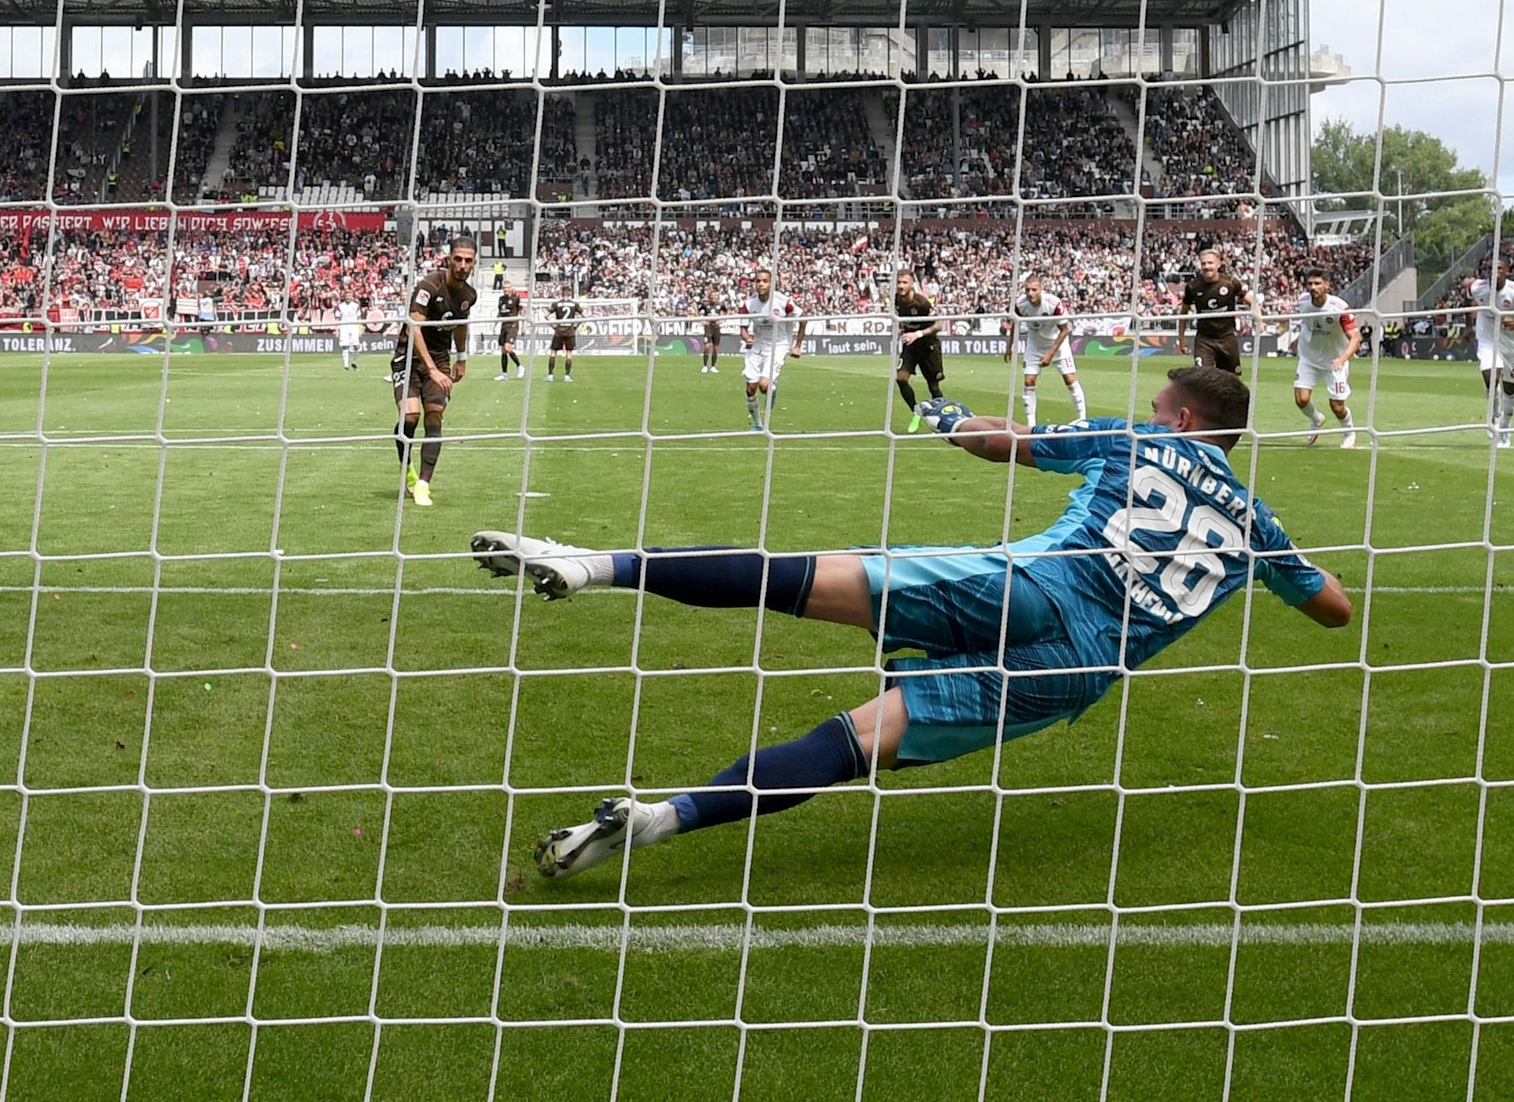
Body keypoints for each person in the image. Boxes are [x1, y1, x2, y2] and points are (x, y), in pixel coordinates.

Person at [468, 367, 1351, 880]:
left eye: (1163, 406)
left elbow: (997, 441)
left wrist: (953, 419)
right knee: (858, 741)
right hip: (1079, 667)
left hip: (1033, 584)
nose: (1155, 413)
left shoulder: (1141, 442)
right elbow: (1333, 610)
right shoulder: (1258, 529)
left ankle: (592, 564)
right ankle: (661, 818)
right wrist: (1276, 554)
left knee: (796, 580)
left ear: (1186, 421)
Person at [389, 237, 478, 507]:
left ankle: (424, 485)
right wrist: (431, 370)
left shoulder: (469, 295)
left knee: (435, 415)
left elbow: (462, 324)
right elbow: (415, 330)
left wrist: (461, 357)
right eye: (458, 259)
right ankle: (409, 473)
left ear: (473, 263)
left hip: (440, 359)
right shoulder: (428, 286)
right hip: (408, 357)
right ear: (449, 259)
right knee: (411, 416)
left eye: (468, 260)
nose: (462, 265)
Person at [1289, 266, 1363, 449]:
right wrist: (1297, 340)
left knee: (1337, 406)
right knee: (1301, 399)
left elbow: (1355, 336)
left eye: (1317, 283)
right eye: (1310, 283)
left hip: (1335, 361)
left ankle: (1349, 434)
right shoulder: (1302, 302)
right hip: (1309, 358)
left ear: (1327, 285)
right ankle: (1316, 420)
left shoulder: (1339, 308)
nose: (1313, 287)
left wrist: (1343, 358)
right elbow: (1307, 324)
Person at [1005, 274, 1085, 425]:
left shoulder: (1053, 303)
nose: (1030, 294)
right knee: (1029, 381)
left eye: (1034, 290)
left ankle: (1083, 419)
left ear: (1041, 289)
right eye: (1027, 290)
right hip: (1034, 345)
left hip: (1057, 344)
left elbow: (1065, 330)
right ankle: (1031, 425)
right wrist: (1009, 346)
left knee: (1069, 379)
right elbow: (1015, 323)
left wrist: (1050, 354)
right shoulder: (1020, 304)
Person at [741, 268, 804, 431]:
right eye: (758, 281)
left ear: (771, 283)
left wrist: (797, 346)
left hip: (778, 345)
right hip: (758, 345)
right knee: (750, 388)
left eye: (765, 281)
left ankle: (772, 388)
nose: (760, 284)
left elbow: (804, 319)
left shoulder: (784, 302)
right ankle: (758, 424)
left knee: (764, 386)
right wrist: (747, 337)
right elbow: (743, 328)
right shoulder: (749, 305)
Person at [1470, 259, 1514, 447]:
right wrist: (1470, 325)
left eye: (1499, 269)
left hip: (1512, 345)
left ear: (1507, 271)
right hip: (1488, 340)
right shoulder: (1478, 287)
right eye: (1490, 269)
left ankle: (1505, 430)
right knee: (1491, 375)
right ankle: (1495, 416)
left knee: (1510, 389)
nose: (1494, 272)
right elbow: (1471, 299)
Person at [1176, 248, 1256, 374]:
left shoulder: (1230, 283)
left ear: (1218, 264)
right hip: (1204, 340)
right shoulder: (1193, 287)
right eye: (1203, 263)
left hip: (1227, 339)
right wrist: (1181, 339)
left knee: (1231, 382)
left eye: (1210, 263)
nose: (1207, 266)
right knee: (1201, 379)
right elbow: (1183, 313)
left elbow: (1252, 302)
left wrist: (1260, 320)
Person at [892, 270, 943, 426]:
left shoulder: (922, 303)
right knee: (901, 379)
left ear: (912, 284)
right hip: (911, 346)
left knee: (933, 387)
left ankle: (944, 417)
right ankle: (916, 410)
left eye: (904, 282)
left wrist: (918, 334)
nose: (901, 286)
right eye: (899, 282)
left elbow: (938, 325)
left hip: (928, 345)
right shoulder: (896, 299)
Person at [546, 289, 582, 382]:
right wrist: (576, 326)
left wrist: (553, 326)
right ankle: (567, 375)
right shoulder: (575, 304)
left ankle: (550, 375)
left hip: (559, 331)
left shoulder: (556, 304)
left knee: (553, 352)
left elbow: (546, 316)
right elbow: (584, 316)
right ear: (570, 294)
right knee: (569, 353)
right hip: (570, 331)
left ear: (562, 294)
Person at [493, 289, 524, 380]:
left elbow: (521, 311)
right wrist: (495, 324)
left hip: (513, 325)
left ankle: (519, 366)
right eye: (504, 288)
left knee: (507, 347)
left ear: (510, 288)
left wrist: (523, 325)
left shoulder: (515, 298)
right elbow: (500, 313)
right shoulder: (501, 299)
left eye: (507, 288)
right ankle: (504, 374)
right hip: (504, 325)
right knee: (503, 350)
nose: (505, 290)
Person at [338, 294, 363, 371]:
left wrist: (360, 328)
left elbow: (359, 317)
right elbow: (337, 318)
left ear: (352, 297)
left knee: (356, 346)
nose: (348, 297)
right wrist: (337, 329)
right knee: (345, 346)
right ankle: (346, 366)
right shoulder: (340, 306)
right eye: (346, 296)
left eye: (349, 296)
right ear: (344, 297)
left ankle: (354, 362)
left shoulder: (356, 306)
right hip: (344, 327)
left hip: (354, 327)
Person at [701, 289, 723, 374]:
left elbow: (727, 311)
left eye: (716, 296)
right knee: (707, 346)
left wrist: (722, 320)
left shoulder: (720, 305)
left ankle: (713, 366)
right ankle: (705, 366)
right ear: (710, 297)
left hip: (716, 328)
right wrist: (702, 321)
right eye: (712, 296)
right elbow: (697, 311)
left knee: (716, 348)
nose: (714, 297)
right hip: (708, 327)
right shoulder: (705, 305)